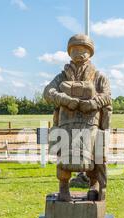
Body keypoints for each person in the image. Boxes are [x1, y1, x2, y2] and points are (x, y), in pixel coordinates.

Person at [44, 34, 112, 202]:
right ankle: (63, 187)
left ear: (90, 53)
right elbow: (48, 92)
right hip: (67, 121)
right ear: (69, 52)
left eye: (83, 50)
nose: (79, 54)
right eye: (75, 50)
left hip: (90, 123)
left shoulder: (98, 77)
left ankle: (94, 185)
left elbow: (107, 96)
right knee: (63, 156)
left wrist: (93, 103)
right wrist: (65, 100)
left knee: (96, 156)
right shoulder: (62, 76)